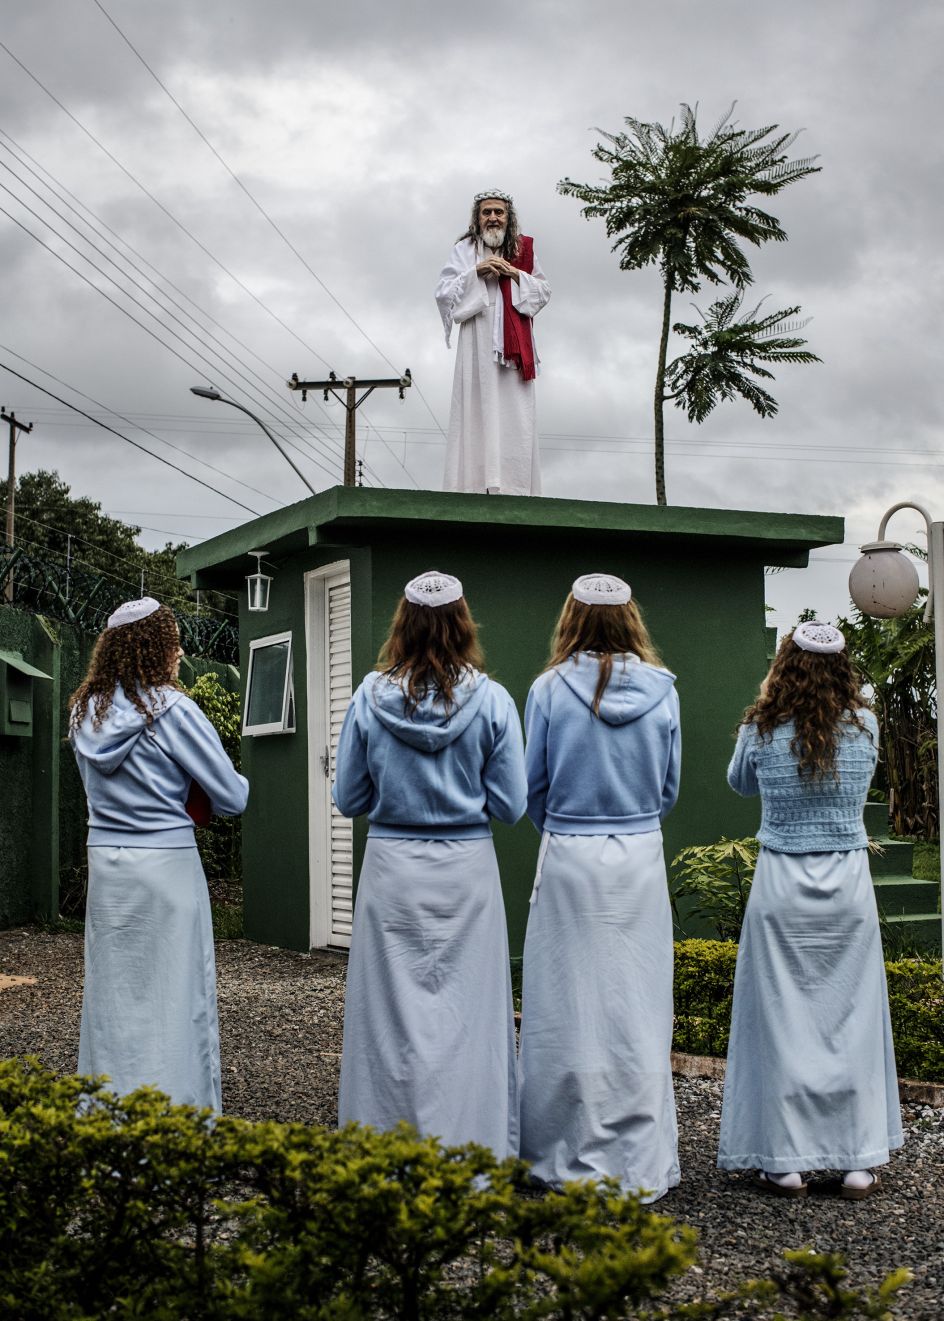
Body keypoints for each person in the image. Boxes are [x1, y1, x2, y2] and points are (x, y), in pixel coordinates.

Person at [332, 570, 527, 1155]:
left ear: (403, 625)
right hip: (466, 866)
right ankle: (468, 1148)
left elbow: (349, 797)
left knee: (389, 1016)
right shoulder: (492, 700)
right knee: (469, 1012)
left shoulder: (368, 697)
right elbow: (513, 805)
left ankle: (388, 1149)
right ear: (463, 625)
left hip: (392, 865)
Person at [717, 620, 903, 1199]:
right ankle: (856, 1161)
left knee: (781, 1020)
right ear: (844, 668)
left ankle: (784, 1161)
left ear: (785, 666)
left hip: (781, 881)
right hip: (847, 885)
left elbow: (740, 784)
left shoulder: (761, 727)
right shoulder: (865, 725)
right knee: (851, 1019)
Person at [518, 573, 681, 1201]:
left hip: (568, 855)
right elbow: (667, 788)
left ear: (571, 620)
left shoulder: (547, 690)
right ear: (631, 619)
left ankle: (561, 1148)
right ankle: (636, 1155)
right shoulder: (664, 692)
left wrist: (563, 827)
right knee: (636, 1005)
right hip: (638, 856)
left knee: (565, 1005)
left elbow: (534, 786)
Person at [69, 597, 248, 1110]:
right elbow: (232, 798)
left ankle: (110, 1115)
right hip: (167, 865)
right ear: (159, 648)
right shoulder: (171, 709)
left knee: (113, 997)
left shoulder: (85, 710)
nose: (180, 651)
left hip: (107, 866)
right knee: (174, 995)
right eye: (174, 641)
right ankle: (176, 1117)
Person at [435, 189, 551, 496]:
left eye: (499, 212)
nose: (493, 218)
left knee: (515, 410)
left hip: (515, 351)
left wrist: (514, 273)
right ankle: (474, 483)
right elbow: (444, 292)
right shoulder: (465, 250)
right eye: (486, 212)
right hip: (478, 340)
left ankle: (515, 485)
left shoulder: (522, 249)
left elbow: (543, 291)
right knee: (477, 404)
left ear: (508, 217)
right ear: (477, 218)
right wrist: (477, 271)